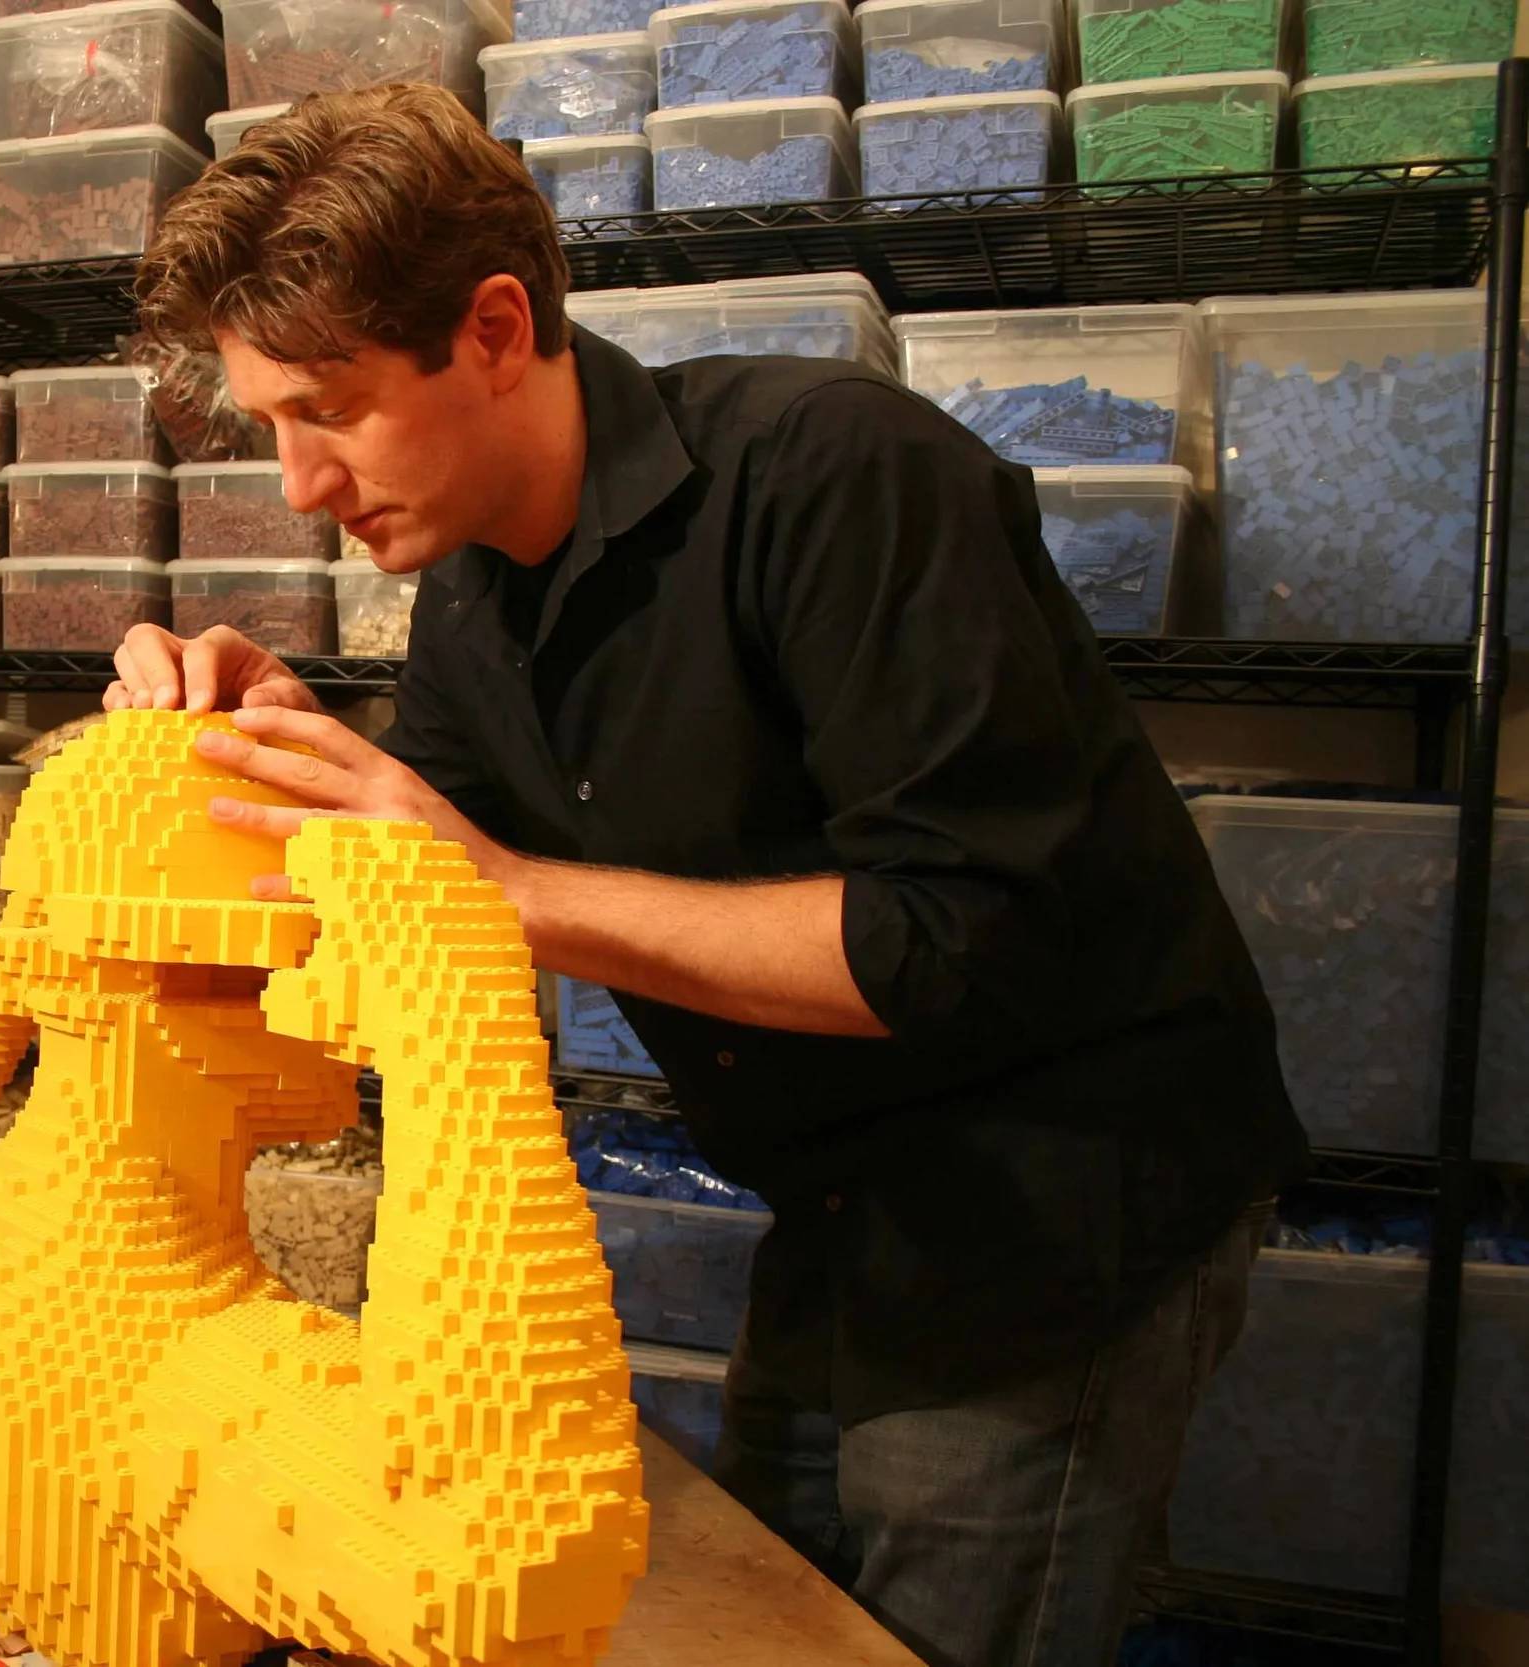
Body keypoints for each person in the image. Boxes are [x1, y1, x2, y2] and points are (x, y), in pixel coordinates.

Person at [111, 82, 1307, 1667]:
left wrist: (496, 876)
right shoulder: (472, 609)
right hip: (832, 1202)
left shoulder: (837, 476)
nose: (299, 486)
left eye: (326, 411)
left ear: (489, 329)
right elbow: (422, 893)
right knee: (759, 1615)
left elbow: (953, 942)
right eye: (272, 425)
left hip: (1061, 1197)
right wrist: (260, 754)